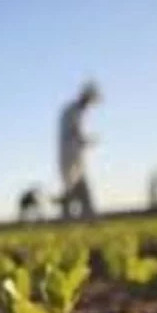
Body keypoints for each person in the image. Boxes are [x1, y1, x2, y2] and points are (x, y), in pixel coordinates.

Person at [57, 81, 101, 220]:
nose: (90, 105)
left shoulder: (74, 111)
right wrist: (87, 141)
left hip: (73, 156)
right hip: (70, 156)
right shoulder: (73, 111)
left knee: (76, 188)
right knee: (75, 188)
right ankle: (80, 217)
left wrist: (84, 142)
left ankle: (82, 216)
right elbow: (74, 133)